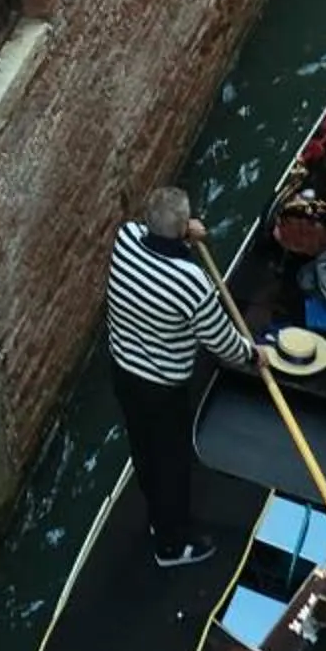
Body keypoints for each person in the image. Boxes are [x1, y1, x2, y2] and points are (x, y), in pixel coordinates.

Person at [105, 187, 260, 569]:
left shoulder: (123, 241)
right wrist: (256, 356)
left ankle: (158, 519)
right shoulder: (192, 283)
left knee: (144, 449)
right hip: (162, 386)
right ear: (181, 229)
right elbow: (223, 344)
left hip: (123, 371)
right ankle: (170, 547)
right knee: (173, 463)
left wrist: (183, 233)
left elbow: (155, 238)